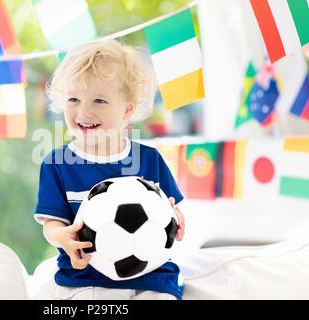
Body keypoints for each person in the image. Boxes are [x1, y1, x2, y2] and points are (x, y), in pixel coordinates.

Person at [34, 39, 186, 300]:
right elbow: (52, 225)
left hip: (152, 275)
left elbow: (173, 210)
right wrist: (63, 237)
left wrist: (178, 219)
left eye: (99, 100)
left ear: (127, 109)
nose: (84, 111)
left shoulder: (148, 159)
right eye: (74, 99)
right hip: (84, 274)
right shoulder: (56, 164)